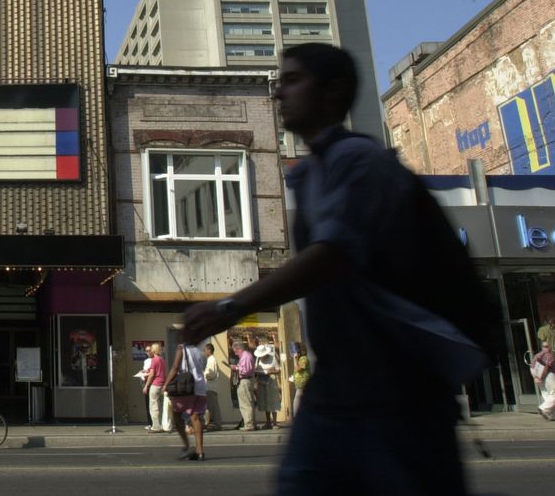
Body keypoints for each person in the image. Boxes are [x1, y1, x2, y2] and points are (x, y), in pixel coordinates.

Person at [184, 42, 475, 494]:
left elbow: (333, 256)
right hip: (340, 385)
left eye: (294, 80)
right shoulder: (310, 173)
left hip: (396, 388)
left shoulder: (360, 162)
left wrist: (229, 307)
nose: (279, 93)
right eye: (280, 82)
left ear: (333, 91)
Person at [167, 339, 208, 461]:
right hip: (200, 387)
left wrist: (166, 384)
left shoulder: (181, 348)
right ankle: (200, 452)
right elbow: (202, 368)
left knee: (176, 414)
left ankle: (186, 445)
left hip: (186, 386)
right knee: (196, 417)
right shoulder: (200, 351)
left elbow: (175, 367)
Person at [254, 341, 281, 429]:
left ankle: (275, 422)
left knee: (272, 401)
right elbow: (256, 369)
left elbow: (278, 370)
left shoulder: (272, 358)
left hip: (271, 381)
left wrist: (270, 371)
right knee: (265, 401)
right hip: (262, 382)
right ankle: (268, 421)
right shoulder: (258, 359)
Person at [143, 341, 166, 433]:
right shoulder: (162, 359)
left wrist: (146, 386)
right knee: (160, 406)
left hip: (155, 384)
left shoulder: (154, 360)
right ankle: (161, 425)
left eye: (151, 349)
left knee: (153, 406)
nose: (150, 350)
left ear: (154, 350)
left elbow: (152, 374)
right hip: (162, 384)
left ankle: (156, 426)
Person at [232, 341, 257, 430]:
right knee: (248, 402)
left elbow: (245, 371)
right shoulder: (246, 356)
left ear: (239, 349)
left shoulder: (246, 356)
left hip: (245, 380)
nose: (235, 353)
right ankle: (251, 423)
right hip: (246, 380)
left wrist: (235, 368)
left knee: (245, 403)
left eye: (235, 351)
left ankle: (249, 424)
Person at [202, 342, 222, 431]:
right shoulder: (210, 359)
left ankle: (217, 424)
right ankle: (210, 423)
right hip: (208, 387)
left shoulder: (212, 359)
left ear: (209, 350)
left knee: (213, 407)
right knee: (210, 407)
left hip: (211, 388)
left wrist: (203, 373)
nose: (203, 352)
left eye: (204, 350)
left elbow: (211, 374)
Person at [533, 340, 555, 421]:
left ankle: (550, 414)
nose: (548, 348)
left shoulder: (537, 355)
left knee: (546, 396)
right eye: (546, 346)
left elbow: (532, 367)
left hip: (539, 379)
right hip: (549, 377)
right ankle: (543, 408)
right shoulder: (549, 356)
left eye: (547, 346)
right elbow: (546, 367)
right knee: (553, 395)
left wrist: (535, 377)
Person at [139, 344, 155, 429]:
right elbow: (146, 370)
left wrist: (147, 372)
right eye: (147, 351)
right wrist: (142, 372)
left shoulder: (156, 360)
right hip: (145, 382)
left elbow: (152, 373)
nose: (148, 352)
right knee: (148, 403)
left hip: (152, 383)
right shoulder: (146, 361)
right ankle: (150, 422)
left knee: (153, 404)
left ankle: (154, 423)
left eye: (149, 350)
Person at [291, 352, 311, 417]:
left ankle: (297, 416)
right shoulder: (300, 359)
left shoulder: (303, 358)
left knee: (297, 399)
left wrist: (295, 359)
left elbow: (298, 369)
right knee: (298, 399)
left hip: (303, 383)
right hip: (300, 384)